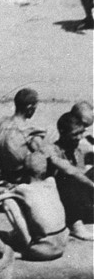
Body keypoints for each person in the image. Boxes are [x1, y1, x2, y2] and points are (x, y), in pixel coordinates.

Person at [0, 150, 68, 261]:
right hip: (61, 246)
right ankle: (25, 243)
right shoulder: (51, 182)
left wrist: (5, 195)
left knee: (9, 203)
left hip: (41, 250)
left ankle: (24, 248)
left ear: (25, 171)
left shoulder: (23, 189)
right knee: (35, 207)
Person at [45, 100, 94, 240]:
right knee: (67, 178)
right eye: (74, 134)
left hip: (80, 199)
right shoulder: (53, 151)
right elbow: (71, 171)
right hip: (60, 203)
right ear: (62, 132)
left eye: (80, 133)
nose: (78, 138)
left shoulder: (77, 147)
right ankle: (76, 226)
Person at [0, 87, 41, 182]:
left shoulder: (3, 122)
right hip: (18, 176)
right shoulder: (27, 129)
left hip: (3, 171)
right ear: (29, 108)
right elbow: (40, 155)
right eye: (35, 108)